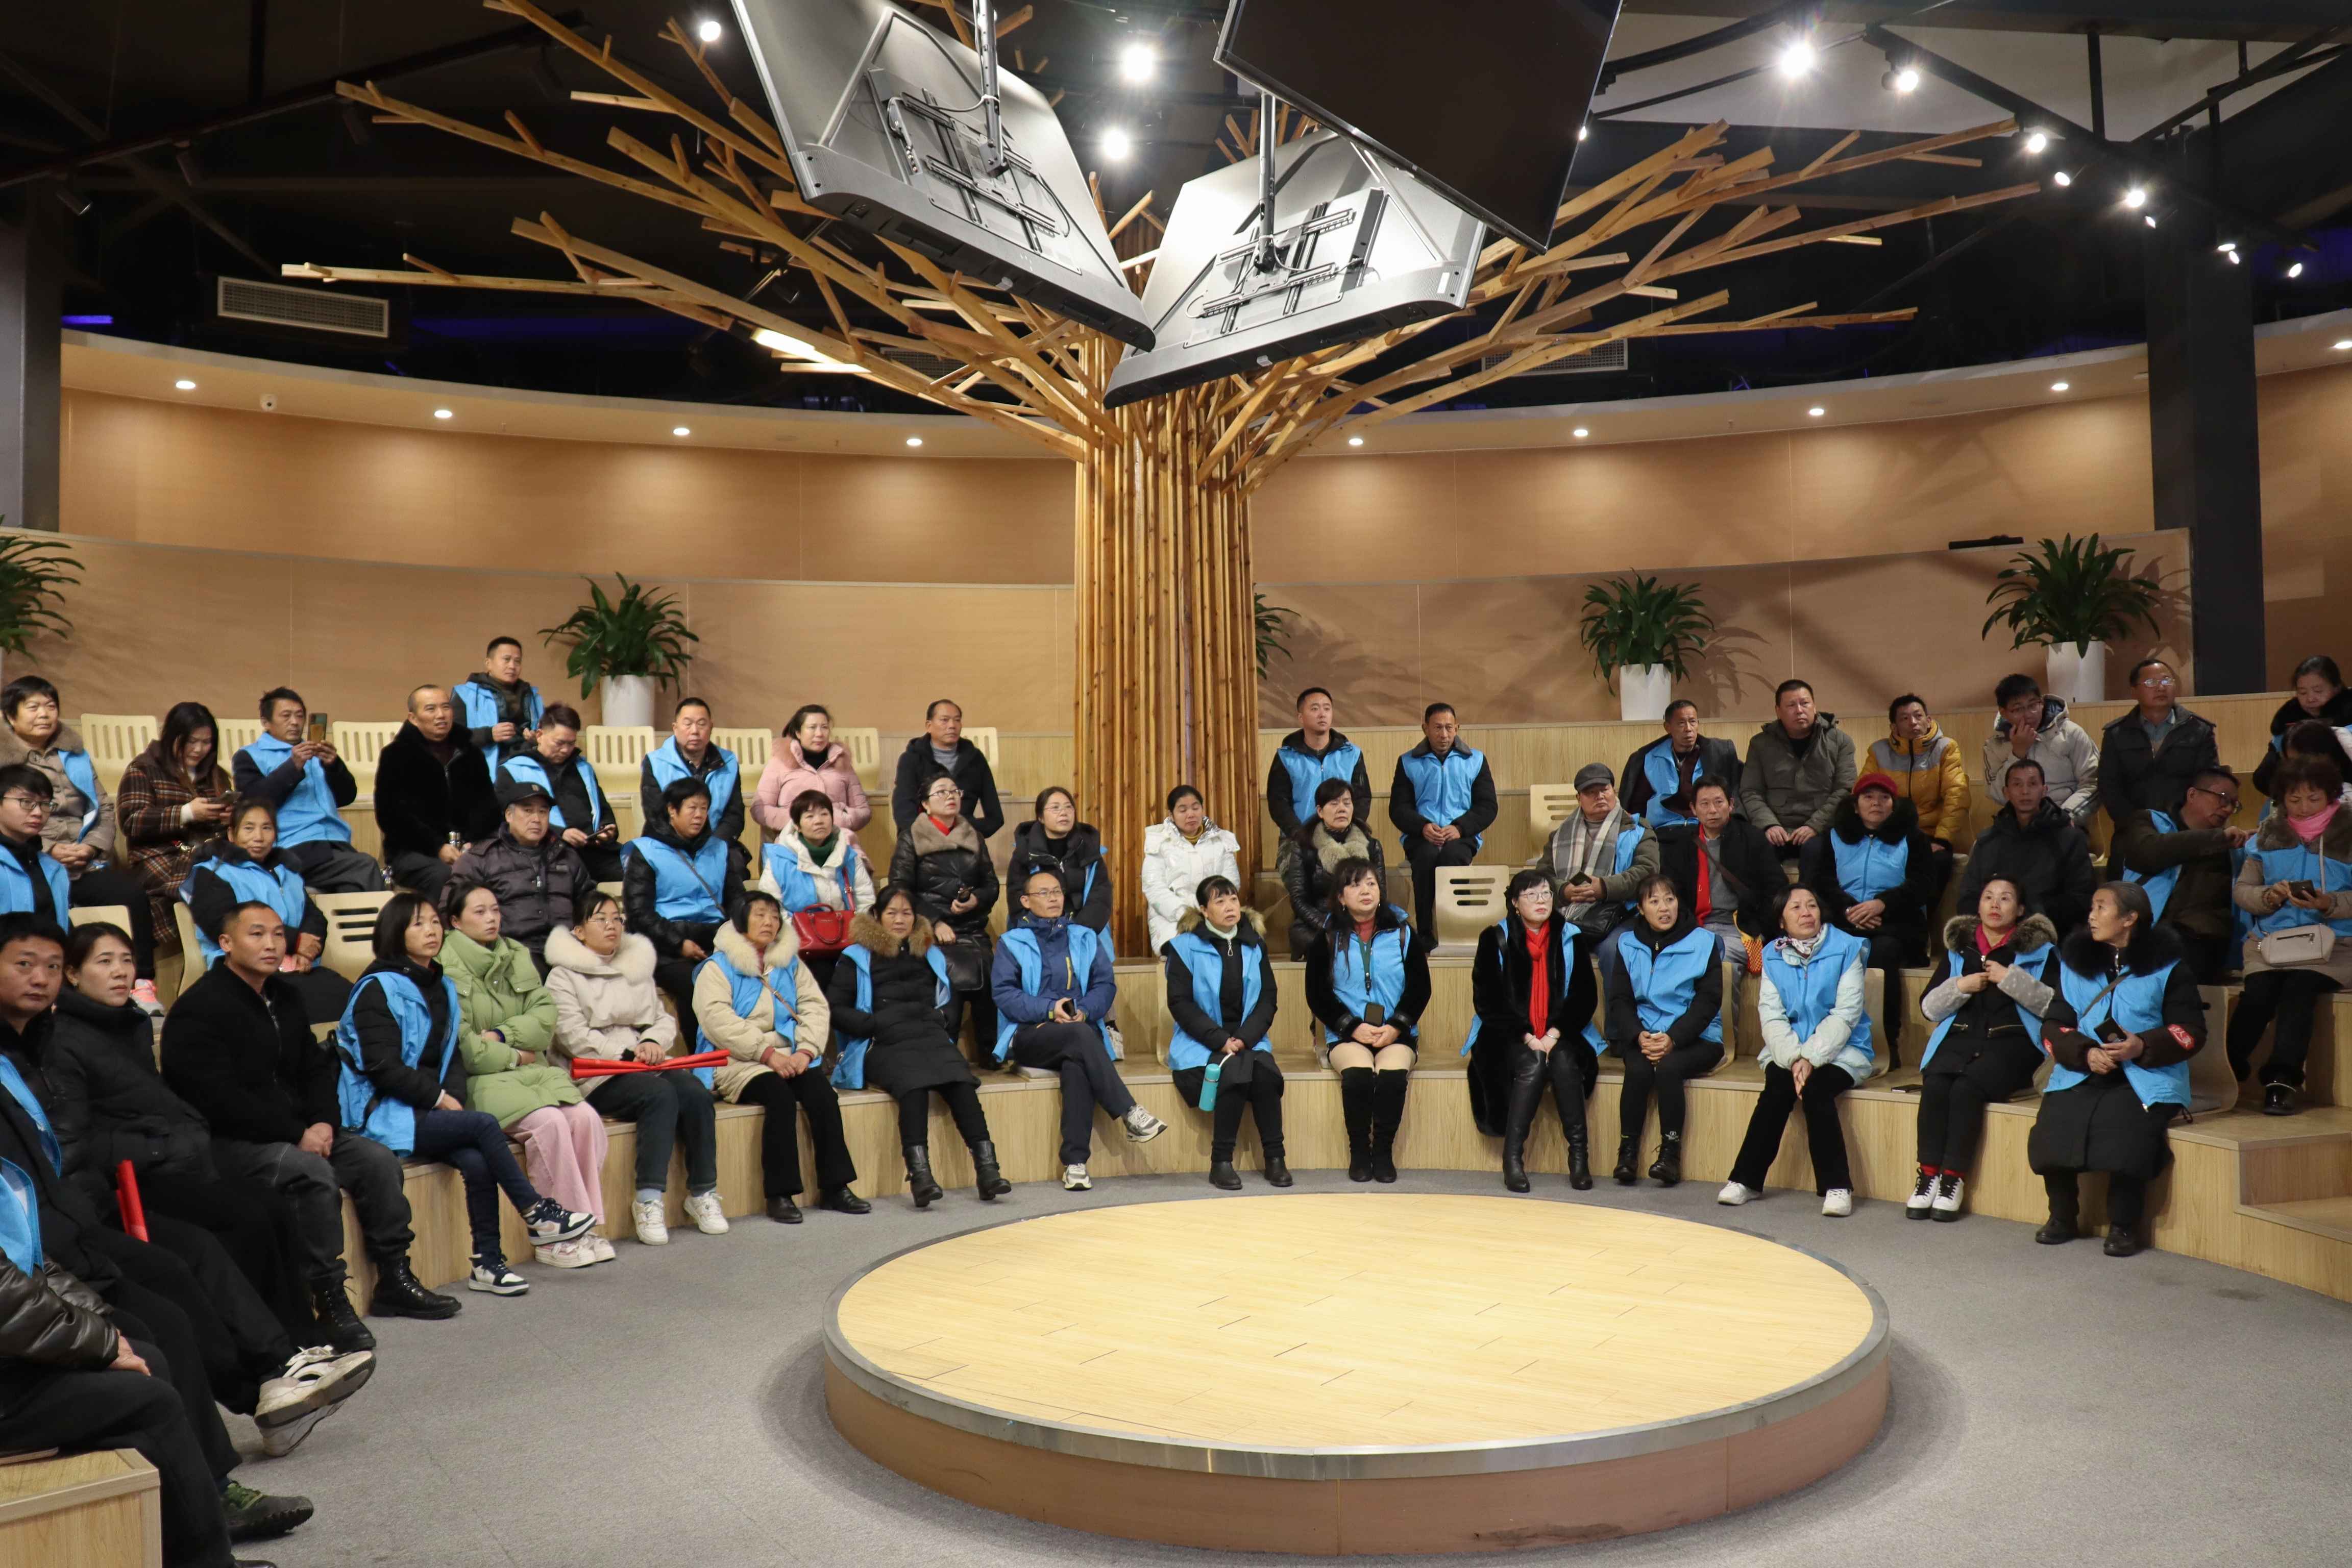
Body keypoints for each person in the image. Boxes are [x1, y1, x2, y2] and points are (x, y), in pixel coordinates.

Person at [0, 912, 324, 1556]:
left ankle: (265, 1391)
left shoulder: (45, 1038)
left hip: (62, 1230)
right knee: (155, 1334)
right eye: (23, 965)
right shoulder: (40, 1047)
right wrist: (98, 1330)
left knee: (174, 1294)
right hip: (47, 1248)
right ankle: (222, 1470)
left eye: (50, 966)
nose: (40, 978)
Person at [47, 923, 378, 1452]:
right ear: (73, 974)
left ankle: (299, 1349)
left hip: (166, 1163)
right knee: (217, 1235)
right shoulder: (65, 1039)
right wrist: (163, 1145)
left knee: (265, 1208)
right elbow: (83, 1140)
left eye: (127, 960)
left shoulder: (130, 1023)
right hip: (125, 1184)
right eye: (104, 962)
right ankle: (276, 1369)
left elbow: (313, 1069)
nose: (120, 972)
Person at [162, 902, 456, 1330]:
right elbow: (217, 1099)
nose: (271, 944)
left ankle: (394, 1276)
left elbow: (316, 1070)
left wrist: (322, 1123)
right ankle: (328, 1297)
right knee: (311, 1173)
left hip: (302, 1129)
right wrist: (296, 1132)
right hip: (233, 1141)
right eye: (257, 934)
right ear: (225, 943)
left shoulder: (286, 996)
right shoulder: (199, 1008)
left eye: (278, 934)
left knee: (376, 1160)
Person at [331, 894, 597, 1295]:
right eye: (418, 924)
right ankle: (536, 1211)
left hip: (424, 1110)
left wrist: (449, 1098)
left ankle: (488, 1263)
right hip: (381, 1113)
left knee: (477, 1157)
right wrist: (439, 1100)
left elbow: (451, 1058)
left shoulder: (440, 985)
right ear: (395, 933)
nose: (431, 931)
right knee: (484, 1125)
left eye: (434, 922)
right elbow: (382, 1068)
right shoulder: (377, 989)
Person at [439, 880, 613, 1269]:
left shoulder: (516, 953)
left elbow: (545, 1020)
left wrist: (503, 1036)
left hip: (530, 1071)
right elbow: (468, 1050)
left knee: (585, 1118)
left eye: (495, 910)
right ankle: (554, 1237)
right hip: (482, 1081)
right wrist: (518, 1054)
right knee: (550, 1123)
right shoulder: (444, 966)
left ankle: (583, 1226)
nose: (492, 918)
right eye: (480, 912)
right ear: (456, 921)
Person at [2031, 881, 2205, 1257]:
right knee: (2053, 1123)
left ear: (2129, 919)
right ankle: (2062, 1216)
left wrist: (2141, 1046)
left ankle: (2124, 1225)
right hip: (2082, 1068)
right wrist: (2085, 1053)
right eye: (2092, 907)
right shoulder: (2073, 965)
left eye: (2102, 907)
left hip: (2145, 1074)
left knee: (2127, 1132)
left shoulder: (2169, 967)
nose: (2091, 916)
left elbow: (2191, 1032)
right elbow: (2054, 1025)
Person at [542, 893, 718, 1246]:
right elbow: (571, 1036)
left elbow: (662, 1019)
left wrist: (652, 1042)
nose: (612, 925)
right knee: (659, 1095)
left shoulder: (635, 966)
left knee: (696, 1093)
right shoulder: (562, 976)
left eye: (617, 918)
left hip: (643, 1060)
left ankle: (703, 1192)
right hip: (595, 1073)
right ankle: (648, 1200)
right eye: (600, 919)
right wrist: (626, 1054)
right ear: (578, 931)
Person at [693, 892, 869, 1224]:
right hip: (737, 1059)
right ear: (741, 920)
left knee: (822, 1095)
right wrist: (767, 1054)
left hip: (790, 1052)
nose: (769, 922)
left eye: (774, 916)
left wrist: (806, 1051)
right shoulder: (716, 968)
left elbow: (815, 1007)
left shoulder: (790, 962)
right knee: (779, 1097)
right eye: (760, 915)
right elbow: (716, 1021)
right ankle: (780, 1194)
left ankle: (836, 1187)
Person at [828, 886, 1008, 1207]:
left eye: (907, 913)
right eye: (892, 913)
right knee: (913, 1085)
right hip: (881, 1041)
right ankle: (920, 1176)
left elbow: (949, 1000)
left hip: (928, 1036)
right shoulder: (856, 957)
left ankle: (988, 1170)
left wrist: (940, 1018)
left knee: (961, 1081)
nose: (900, 920)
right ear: (877, 916)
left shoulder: (929, 953)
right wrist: (873, 1024)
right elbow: (836, 1009)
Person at [991, 865, 1165, 1190]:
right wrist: (1049, 1009)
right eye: (1044, 893)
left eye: (1057, 892)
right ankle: (1129, 1111)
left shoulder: (1085, 937)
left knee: (1076, 1063)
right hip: (1032, 1034)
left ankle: (1075, 1164)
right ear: (1026, 901)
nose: (1053, 898)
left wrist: (1083, 1011)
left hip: (1079, 1030)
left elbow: (1105, 985)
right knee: (1080, 1038)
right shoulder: (1011, 943)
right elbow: (1005, 995)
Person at [1719, 884, 1874, 1217]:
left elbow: (1846, 1014)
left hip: (1843, 1048)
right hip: (1789, 1048)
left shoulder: (1847, 948)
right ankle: (1745, 1180)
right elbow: (1771, 1015)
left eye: (1812, 905)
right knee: (1777, 1087)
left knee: (1817, 1090)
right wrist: (1794, 1058)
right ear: (1781, 920)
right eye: (1796, 908)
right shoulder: (1772, 954)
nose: (1807, 913)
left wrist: (1811, 1057)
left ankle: (1837, 1186)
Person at [1908, 877, 2058, 1222]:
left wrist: (2011, 980)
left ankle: (1952, 1179)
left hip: (2014, 1043)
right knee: (1936, 1083)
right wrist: (1961, 985)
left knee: (1967, 1087)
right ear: (1978, 906)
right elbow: (1929, 1008)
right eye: (1989, 897)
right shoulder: (1959, 950)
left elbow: (2056, 1006)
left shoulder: (2041, 952)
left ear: (2020, 910)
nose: (1995, 904)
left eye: (2005, 899)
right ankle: (1927, 1176)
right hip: (1960, 1038)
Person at [0, 677, 161, 991]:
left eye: (50, 706)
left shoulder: (76, 755)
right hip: (32, 857)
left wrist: (90, 847)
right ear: (10, 716)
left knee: (131, 893)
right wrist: (49, 850)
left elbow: (103, 807)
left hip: (83, 860)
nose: (44, 714)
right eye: (33, 707)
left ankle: (142, 982)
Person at [2227, 753, 2352, 1116]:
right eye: (2294, 799)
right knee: (2258, 993)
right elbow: (2242, 891)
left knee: (2299, 990)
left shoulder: (2348, 832)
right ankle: (2229, 1064)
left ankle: (2281, 1081)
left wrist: (2330, 902)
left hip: (2335, 946)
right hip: (2271, 943)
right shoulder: (2268, 834)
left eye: (2313, 798)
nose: (2304, 807)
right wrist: (2269, 896)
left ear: (2332, 795)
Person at [1467, 870, 1597, 1193]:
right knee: (1533, 1063)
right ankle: (1513, 1159)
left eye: (1547, 894)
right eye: (1532, 895)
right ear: (1515, 903)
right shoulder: (1494, 938)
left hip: (1560, 1031)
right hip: (1507, 1034)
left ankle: (1579, 1158)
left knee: (1565, 1062)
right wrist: (1528, 1036)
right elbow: (1488, 1001)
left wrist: (1553, 1035)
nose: (1542, 901)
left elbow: (1584, 997)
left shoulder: (1571, 937)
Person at [1303, 858, 1430, 1184]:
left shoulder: (1403, 932)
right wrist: (1352, 1027)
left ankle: (1383, 1153)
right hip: (1346, 1033)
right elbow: (1317, 994)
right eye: (1355, 885)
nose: (1366, 891)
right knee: (1358, 1077)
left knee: (1391, 1078)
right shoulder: (1326, 937)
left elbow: (1420, 988)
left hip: (1395, 1032)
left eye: (1371, 884)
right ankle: (1360, 1152)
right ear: (1341, 897)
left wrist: (1397, 1026)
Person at [1163, 875, 1287, 1190]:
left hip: (1248, 1039)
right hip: (1200, 1041)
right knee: (1234, 1072)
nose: (1230, 906)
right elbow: (1180, 1003)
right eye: (1220, 901)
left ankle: (1275, 1158)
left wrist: (1244, 1039)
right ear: (1204, 910)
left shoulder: (1254, 944)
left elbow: (1268, 999)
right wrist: (1221, 1041)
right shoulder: (1184, 948)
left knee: (1265, 1074)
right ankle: (1221, 1161)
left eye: (1233, 899)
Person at [1600, 875, 1723, 1188]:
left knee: (1669, 1068)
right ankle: (1627, 1153)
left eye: (1670, 899)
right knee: (1638, 1069)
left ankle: (1670, 1155)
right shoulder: (1627, 943)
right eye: (1654, 901)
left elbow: (1708, 1001)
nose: (1664, 908)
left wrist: (1674, 1038)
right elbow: (1620, 1000)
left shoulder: (1704, 942)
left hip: (1697, 1037)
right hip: (1645, 1035)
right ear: (1641, 909)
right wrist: (1638, 1035)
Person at [1801, 773, 1932, 1063]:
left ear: (1894, 805)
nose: (1877, 803)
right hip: (1844, 919)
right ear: (1855, 805)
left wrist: (1882, 904)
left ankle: (1884, 1043)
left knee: (1882, 952)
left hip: (1895, 923)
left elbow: (1922, 885)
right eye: (1869, 797)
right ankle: (1821, 1041)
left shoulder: (1914, 839)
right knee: (1828, 952)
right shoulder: (1834, 837)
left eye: (1884, 798)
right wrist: (1849, 910)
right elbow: (1822, 883)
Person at [183, 800, 353, 1023]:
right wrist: (294, 942)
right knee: (304, 1005)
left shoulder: (287, 872)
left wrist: (305, 952)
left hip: (295, 968)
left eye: (266, 828)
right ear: (232, 834)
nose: (259, 837)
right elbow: (225, 925)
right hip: (244, 972)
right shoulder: (211, 872)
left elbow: (313, 916)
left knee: (349, 996)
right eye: (249, 828)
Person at [623, 775, 747, 1047]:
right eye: (692, 808)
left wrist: (736, 935)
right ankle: (702, 1060)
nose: (699, 815)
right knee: (698, 985)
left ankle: (745, 1054)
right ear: (672, 810)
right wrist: (679, 944)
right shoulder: (646, 851)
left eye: (704, 808)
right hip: (666, 945)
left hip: (716, 939)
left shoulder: (719, 849)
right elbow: (639, 913)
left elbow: (737, 899)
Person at [115, 701, 236, 971]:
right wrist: (186, 813)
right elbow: (131, 821)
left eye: (206, 742)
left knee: (245, 879)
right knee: (204, 886)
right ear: (172, 736)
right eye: (191, 741)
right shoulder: (143, 769)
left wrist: (229, 819)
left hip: (207, 853)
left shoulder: (215, 775)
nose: (199, 749)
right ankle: (220, 957)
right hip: (159, 855)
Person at [889, 770, 1000, 1055]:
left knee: (990, 972)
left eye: (954, 791)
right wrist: (934, 922)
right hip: (927, 929)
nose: (950, 796)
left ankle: (991, 1052)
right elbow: (900, 889)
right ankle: (944, 1050)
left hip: (972, 928)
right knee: (948, 974)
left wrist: (976, 899)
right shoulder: (911, 837)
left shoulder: (974, 835)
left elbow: (991, 884)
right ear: (925, 804)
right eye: (941, 792)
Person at [234, 688, 383, 894]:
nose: (295, 722)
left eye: (300, 716)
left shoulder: (314, 750)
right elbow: (253, 803)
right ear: (266, 722)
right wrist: (292, 767)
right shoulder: (250, 756)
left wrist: (334, 766)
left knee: (352, 888)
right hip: (292, 846)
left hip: (336, 843)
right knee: (366, 866)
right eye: (286, 716)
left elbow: (347, 796)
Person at [2111, 765, 2249, 984]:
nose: (2228, 809)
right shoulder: (2150, 822)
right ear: (2192, 794)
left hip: (2200, 945)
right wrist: (2216, 838)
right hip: (2146, 933)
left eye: (2234, 804)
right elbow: (2148, 853)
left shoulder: (2233, 850)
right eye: (2223, 798)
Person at [373, 684, 499, 903]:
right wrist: (437, 847)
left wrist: (473, 841)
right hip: (414, 851)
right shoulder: (396, 755)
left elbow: (487, 806)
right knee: (446, 876)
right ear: (413, 718)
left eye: (446, 707)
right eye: (431, 709)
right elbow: (391, 816)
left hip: (470, 846)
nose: (441, 715)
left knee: (504, 868)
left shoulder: (471, 753)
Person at [451, 777, 594, 971]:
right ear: (509, 815)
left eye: (543, 812)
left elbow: (590, 903)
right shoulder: (481, 858)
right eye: (528, 811)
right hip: (510, 954)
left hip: (568, 950)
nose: (536, 819)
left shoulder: (567, 856)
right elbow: (453, 908)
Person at [1389, 703, 1498, 942]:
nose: (1444, 734)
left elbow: (1488, 806)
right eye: (1438, 728)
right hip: (1421, 835)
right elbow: (1399, 808)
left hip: (1461, 834)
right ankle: (1425, 933)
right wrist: (1422, 827)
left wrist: (1460, 828)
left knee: (1453, 857)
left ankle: (1460, 928)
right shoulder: (1408, 762)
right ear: (1425, 729)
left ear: (1457, 728)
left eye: (1449, 728)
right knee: (1426, 858)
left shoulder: (1475, 760)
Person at [1955, 760, 2098, 938]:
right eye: (2017, 785)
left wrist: (2030, 915)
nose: (2025, 792)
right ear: (2006, 792)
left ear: (2044, 790)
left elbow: (2082, 898)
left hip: (2050, 935)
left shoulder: (2070, 838)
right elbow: (1968, 898)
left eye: (2032, 784)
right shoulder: (1988, 841)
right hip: (1993, 937)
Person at [1655, 775, 1778, 981]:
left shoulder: (1752, 838)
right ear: (1693, 809)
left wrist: (1760, 926)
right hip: (1694, 927)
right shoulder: (1682, 844)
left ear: (1731, 804)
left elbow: (1775, 888)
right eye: (1704, 804)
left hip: (1739, 928)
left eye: (1719, 802)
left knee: (1719, 966)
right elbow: (1673, 894)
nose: (1712, 810)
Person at [757, 790, 876, 995]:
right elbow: (770, 906)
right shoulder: (779, 860)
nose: (819, 821)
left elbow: (865, 900)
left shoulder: (849, 857)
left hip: (847, 940)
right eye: (810, 816)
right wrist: (797, 937)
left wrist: (855, 934)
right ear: (797, 825)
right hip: (796, 944)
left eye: (824, 814)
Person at [498, 704, 619, 883]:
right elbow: (504, 821)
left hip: (594, 851)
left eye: (571, 743)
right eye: (560, 743)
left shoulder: (583, 768)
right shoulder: (515, 770)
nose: (566, 750)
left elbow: (602, 808)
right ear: (540, 736)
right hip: (547, 853)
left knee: (642, 869)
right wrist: (561, 833)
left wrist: (607, 828)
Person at [1741, 679, 1856, 862]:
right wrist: (1769, 825)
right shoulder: (1760, 744)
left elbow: (1845, 790)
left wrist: (1815, 826)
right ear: (1778, 711)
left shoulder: (1840, 741)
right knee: (1757, 853)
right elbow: (1751, 791)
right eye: (1791, 705)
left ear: (1815, 706)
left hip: (1822, 827)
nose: (1799, 710)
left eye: (1805, 703)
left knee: (1815, 854)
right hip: (1777, 826)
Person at [1539, 762, 1656, 939]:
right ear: (1579, 799)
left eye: (1604, 790)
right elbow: (1542, 876)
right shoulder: (1559, 836)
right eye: (1591, 792)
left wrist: (1604, 888)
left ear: (1614, 792)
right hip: (1565, 911)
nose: (1599, 796)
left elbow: (1648, 872)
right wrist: (1564, 891)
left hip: (1621, 913)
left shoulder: (1637, 829)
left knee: (1612, 949)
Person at [1870, 694, 1968, 904]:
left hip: (1932, 834)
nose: (1913, 722)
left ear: (1929, 720)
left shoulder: (1946, 748)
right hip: (1890, 833)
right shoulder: (1878, 751)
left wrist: (1942, 839)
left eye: (1918, 716)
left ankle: (1923, 918)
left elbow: (1957, 795)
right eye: (1905, 718)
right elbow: (1864, 794)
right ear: (1894, 726)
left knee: (1937, 862)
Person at [2099, 656, 2219, 824]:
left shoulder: (2199, 729)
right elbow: (2109, 788)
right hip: (2134, 828)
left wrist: (2186, 824)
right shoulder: (2117, 734)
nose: (2161, 687)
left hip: (2188, 828)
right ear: (2134, 692)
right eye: (2151, 683)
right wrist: (2135, 824)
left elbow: (2208, 783)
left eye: (2166, 680)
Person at [1280, 777, 1385, 958]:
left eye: (1347, 803)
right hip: (1320, 922)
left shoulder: (1371, 846)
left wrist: (1362, 922)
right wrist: (1327, 925)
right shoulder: (1304, 847)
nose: (1342, 809)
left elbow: (1381, 893)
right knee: (1322, 942)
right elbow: (1299, 900)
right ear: (1320, 811)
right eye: (1334, 804)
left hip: (1364, 918)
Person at [1983, 673, 2100, 828]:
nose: (2028, 715)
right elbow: (1998, 795)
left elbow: (2093, 783)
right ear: (2004, 713)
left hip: (2066, 822)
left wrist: (2066, 816)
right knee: (1983, 842)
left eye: (2033, 706)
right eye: (2018, 709)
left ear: (2042, 703)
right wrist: (2018, 754)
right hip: (2018, 825)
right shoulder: (1995, 745)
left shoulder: (2070, 733)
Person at [1142, 785, 1243, 955]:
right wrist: (1185, 913)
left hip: (1216, 913)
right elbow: (1154, 889)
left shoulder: (1221, 841)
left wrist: (1212, 910)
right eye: (1183, 810)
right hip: (1172, 919)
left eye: (1196, 808)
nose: (1191, 814)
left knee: (1239, 946)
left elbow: (1230, 884)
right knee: (1188, 949)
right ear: (1171, 815)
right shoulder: (1158, 843)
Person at [890, 699, 1004, 842]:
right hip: (922, 840)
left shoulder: (975, 759)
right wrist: (930, 835)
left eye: (957, 720)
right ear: (929, 726)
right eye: (945, 720)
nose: (952, 725)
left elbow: (995, 817)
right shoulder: (912, 759)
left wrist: (966, 831)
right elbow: (904, 811)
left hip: (965, 840)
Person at [1266, 685, 1371, 840]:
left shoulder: (1352, 754)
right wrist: (1299, 834)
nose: (1322, 714)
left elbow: (1362, 799)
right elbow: (1278, 802)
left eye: (1327, 709)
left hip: (1344, 836)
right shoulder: (1286, 757)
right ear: (1300, 717)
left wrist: (1349, 831)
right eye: (1315, 709)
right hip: (1299, 837)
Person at [755, 703, 871, 837]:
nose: (819, 734)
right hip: (791, 842)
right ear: (798, 733)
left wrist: (842, 819)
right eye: (812, 728)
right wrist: (801, 822)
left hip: (837, 841)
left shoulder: (842, 763)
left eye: (824, 727)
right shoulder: (779, 763)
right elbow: (760, 809)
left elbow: (863, 811)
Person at [1621, 699, 1742, 828]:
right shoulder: (1649, 758)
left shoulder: (1717, 754)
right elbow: (1638, 807)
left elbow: (1735, 795)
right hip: (1662, 829)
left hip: (1705, 828)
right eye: (1681, 723)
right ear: (1668, 727)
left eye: (1693, 722)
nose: (1688, 729)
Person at [1010, 786, 1113, 936]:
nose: (1064, 813)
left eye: (1068, 807)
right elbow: (1017, 901)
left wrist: (1077, 934)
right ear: (1041, 817)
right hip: (1038, 933)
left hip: (1085, 933)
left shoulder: (1090, 851)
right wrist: (1048, 935)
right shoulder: (1025, 853)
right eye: (1055, 808)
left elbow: (1100, 899)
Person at [643, 697, 744, 849]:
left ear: (711, 727)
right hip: (667, 845)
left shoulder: (728, 763)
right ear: (675, 728)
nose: (695, 731)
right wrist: (686, 850)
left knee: (736, 861)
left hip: (715, 845)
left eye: (702, 724)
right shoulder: (655, 762)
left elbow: (734, 815)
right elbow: (656, 815)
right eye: (688, 724)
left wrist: (713, 846)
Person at [2253, 655, 2352, 802]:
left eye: (2318, 691)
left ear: (2337, 688)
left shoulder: (2348, 724)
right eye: (2303, 693)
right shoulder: (2288, 725)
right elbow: (2263, 778)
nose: (2310, 699)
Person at [452, 634, 543, 771]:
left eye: (517, 661)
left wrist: (537, 738)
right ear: (488, 663)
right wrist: (489, 734)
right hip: (482, 769)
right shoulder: (465, 694)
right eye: (507, 659)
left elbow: (547, 734)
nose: (512, 666)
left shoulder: (532, 696)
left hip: (527, 766)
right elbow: (452, 737)